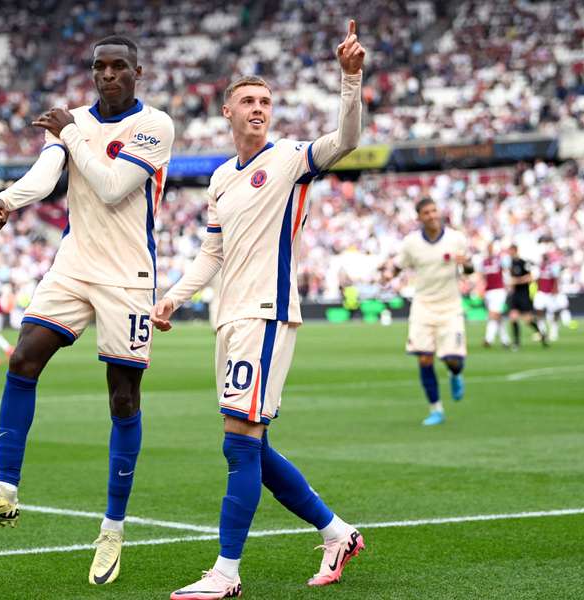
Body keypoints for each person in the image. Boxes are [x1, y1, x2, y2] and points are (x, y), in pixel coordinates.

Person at [151, 20, 365, 598]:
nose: (259, 109)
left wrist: (351, 80)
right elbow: (211, 252)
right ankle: (337, 532)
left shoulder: (292, 158)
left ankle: (225, 573)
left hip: (266, 313)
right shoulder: (220, 178)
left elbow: (345, 140)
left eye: (266, 101)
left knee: (239, 442)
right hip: (230, 316)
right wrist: (174, 295)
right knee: (255, 445)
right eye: (248, 101)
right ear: (227, 111)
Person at [0, 35, 174, 586]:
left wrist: (70, 131)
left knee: (122, 397)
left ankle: (113, 530)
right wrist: (6, 199)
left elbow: (113, 185)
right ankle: (4, 493)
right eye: (99, 67)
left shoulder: (154, 126)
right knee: (22, 358)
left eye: (119, 66)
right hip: (73, 265)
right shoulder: (71, 121)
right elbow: (48, 173)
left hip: (128, 275)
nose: (108, 75)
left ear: (138, 72)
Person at [389, 198, 473, 426]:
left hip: (450, 306)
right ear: (419, 217)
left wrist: (465, 264)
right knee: (424, 357)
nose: (432, 215)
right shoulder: (411, 243)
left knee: (453, 360)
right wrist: (388, 274)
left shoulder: (456, 238)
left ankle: (455, 374)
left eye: (434, 210)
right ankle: (436, 409)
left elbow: (470, 267)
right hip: (423, 306)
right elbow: (398, 264)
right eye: (427, 212)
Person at [507, 244, 548, 349]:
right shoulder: (510, 263)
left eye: (511, 251)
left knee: (528, 320)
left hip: (524, 294)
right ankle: (516, 342)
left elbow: (531, 277)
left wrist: (518, 281)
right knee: (513, 317)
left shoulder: (523, 263)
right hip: (515, 295)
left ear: (515, 250)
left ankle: (541, 333)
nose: (509, 253)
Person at [481, 242, 510, 348]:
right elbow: (484, 277)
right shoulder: (484, 262)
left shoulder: (500, 259)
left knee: (493, 315)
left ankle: (488, 339)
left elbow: (507, 271)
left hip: (499, 290)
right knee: (497, 316)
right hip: (489, 291)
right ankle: (505, 340)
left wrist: (507, 285)